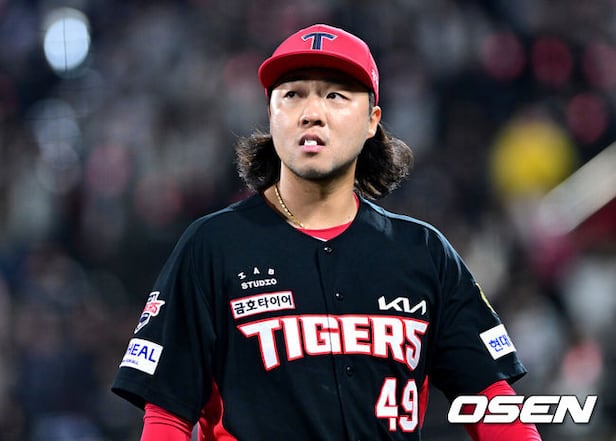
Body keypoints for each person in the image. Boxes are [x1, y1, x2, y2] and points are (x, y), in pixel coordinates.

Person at [111, 23, 542, 440]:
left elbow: (494, 404)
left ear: (372, 120)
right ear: (271, 115)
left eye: (335, 95)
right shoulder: (212, 246)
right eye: (292, 95)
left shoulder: (423, 253)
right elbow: (166, 417)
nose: (312, 113)